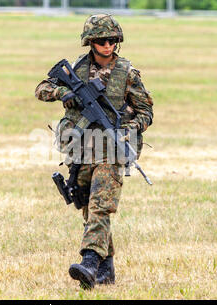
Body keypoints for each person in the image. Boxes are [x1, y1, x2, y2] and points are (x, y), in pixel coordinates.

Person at [35, 14, 154, 289]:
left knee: (101, 206)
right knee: (89, 209)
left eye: (113, 40)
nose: (108, 45)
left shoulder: (127, 73)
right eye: (102, 41)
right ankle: (106, 270)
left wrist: (131, 127)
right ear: (90, 42)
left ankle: (89, 263)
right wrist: (63, 94)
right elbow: (42, 89)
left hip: (112, 151)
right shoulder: (76, 70)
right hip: (81, 150)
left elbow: (146, 112)